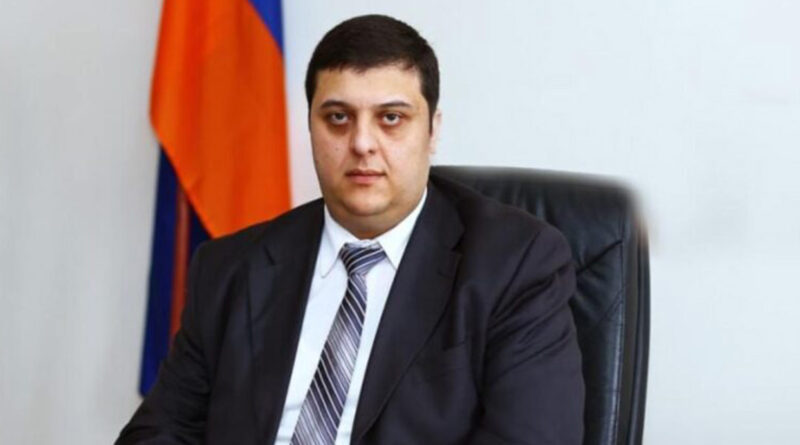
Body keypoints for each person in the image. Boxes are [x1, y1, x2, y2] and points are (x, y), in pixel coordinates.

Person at [118, 14, 584, 445]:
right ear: (311, 128)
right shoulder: (230, 269)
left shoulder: (515, 264)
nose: (362, 143)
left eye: (391, 118)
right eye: (338, 118)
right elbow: (156, 433)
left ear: (432, 131)